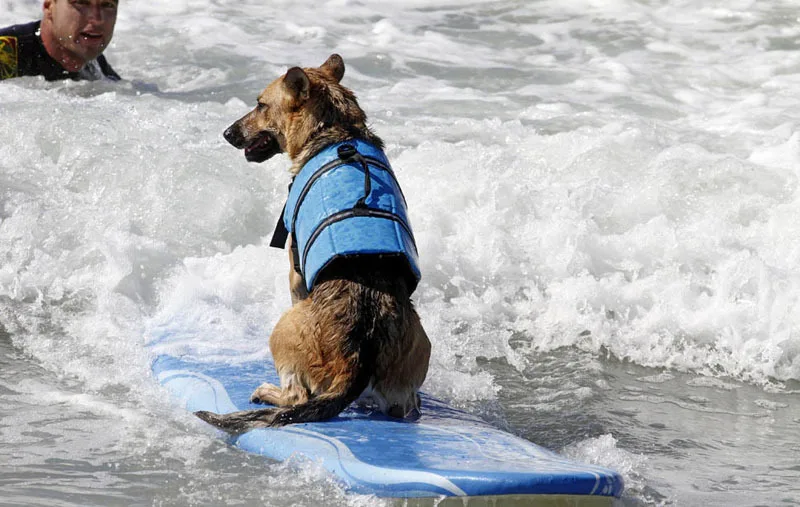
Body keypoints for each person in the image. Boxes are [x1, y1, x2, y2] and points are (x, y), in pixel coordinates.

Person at [0, 0, 120, 82]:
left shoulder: (94, 64)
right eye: (81, 2)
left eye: (107, 5)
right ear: (49, 6)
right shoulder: (6, 50)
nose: (97, 19)